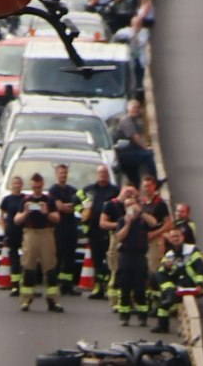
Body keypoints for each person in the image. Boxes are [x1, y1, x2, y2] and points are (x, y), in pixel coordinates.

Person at [16, 170, 64, 312]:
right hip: (31, 233)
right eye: (34, 186)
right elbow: (16, 220)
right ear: (31, 186)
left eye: (38, 186)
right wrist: (26, 212)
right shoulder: (26, 200)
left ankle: (53, 300)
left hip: (46, 233)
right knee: (29, 266)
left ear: (42, 185)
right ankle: (25, 300)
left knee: (50, 267)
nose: (36, 189)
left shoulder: (49, 200)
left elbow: (57, 218)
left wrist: (46, 213)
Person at [105, 187, 151, 325]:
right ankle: (124, 316)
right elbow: (120, 236)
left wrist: (141, 213)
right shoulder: (121, 221)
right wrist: (128, 223)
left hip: (140, 257)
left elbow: (154, 223)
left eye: (132, 205)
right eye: (128, 206)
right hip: (126, 256)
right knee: (124, 287)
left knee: (140, 288)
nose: (130, 208)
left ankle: (143, 316)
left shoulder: (143, 221)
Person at [78, 164, 120, 300]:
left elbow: (120, 205)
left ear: (107, 175)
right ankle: (98, 286)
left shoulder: (114, 190)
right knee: (96, 259)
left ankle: (109, 286)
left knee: (109, 259)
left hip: (108, 231)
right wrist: (81, 211)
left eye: (104, 173)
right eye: (100, 173)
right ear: (97, 175)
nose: (102, 175)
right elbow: (76, 198)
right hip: (94, 230)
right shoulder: (91, 190)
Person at [49, 163, 81, 296]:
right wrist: (67, 206)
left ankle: (67, 285)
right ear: (57, 174)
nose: (63, 175)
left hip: (71, 226)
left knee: (70, 257)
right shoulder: (54, 190)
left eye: (65, 173)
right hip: (59, 227)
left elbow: (78, 205)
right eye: (61, 173)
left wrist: (68, 206)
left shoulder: (72, 190)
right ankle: (55, 284)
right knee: (58, 255)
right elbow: (60, 207)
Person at [114, 99, 155, 184]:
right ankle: (154, 181)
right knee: (148, 155)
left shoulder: (135, 122)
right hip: (123, 155)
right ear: (128, 109)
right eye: (133, 108)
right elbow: (135, 138)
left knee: (135, 180)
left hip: (130, 152)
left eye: (137, 108)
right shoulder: (126, 121)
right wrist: (146, 148)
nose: (136, 110)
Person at [0, 174, 27, 284]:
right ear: (11, 185)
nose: (16, 185)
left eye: (19, 183)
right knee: (14, 257)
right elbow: (1, 215)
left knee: (26, 258)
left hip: (24, 231)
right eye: (14, 183)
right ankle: (15, 284)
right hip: (11, 230)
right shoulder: (7, 199)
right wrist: (3, 228)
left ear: (22, 185)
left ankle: (24, 282)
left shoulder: (25, 199)